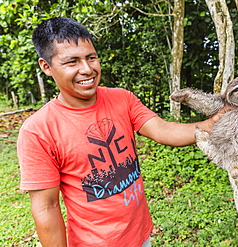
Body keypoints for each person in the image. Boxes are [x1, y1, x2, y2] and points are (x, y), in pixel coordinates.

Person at [17, 17, 227, 247]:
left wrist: (210, 125)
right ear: (46, 66)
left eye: (91, 58)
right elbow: (46, 207)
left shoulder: (121, 98)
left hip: (140, 235)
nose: (87, 69)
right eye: (72, 62)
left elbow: (161, 129)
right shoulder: (38, 130)